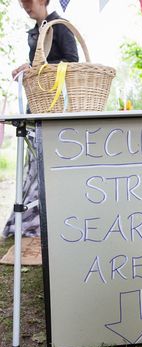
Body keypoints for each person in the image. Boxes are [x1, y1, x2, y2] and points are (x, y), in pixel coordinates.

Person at [2, 0, 79, 238]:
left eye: (30, 0)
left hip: (59, 108)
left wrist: (37, 66)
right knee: (37, 162)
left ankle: (60, 216)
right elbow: (38, 71)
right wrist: (27, 70)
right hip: (40, 106)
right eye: (21, 1)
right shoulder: (34, 33)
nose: (25, 5)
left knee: (54, 162)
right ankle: (38, 215)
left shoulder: (61, 26)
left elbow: (73, 61)